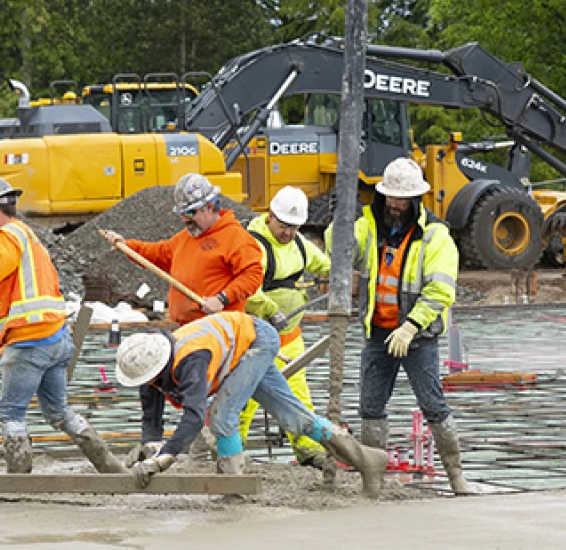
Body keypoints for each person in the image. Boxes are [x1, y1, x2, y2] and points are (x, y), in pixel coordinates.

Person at [114, 312, 388, 496]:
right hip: (238, 347)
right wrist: (150, 445)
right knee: (294, 418)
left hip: (255, 341)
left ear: (160, 366)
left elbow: (194, 417)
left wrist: (164, 458)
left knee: (221, 415)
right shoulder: (148, 370)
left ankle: (234, 489)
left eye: (151, 380)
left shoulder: (191, 361)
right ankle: (368, 460)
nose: (149, 385)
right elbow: (151, 416)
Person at [0, 176, 124, 474]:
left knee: (11, 412)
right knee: (59, 412)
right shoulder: (27, 238)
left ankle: (19, 476)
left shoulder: (8, 235)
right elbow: (23, 309)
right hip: (55, 338)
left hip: (31, 344)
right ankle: (108, 464)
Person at [335, 156, 471, 494]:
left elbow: (440, 290)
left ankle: (456, 476)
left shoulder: (435, 236)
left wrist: (411, 326)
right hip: (379, 333)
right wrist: (339, 221)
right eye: (391, 198)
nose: (395, 205)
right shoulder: (369, 227)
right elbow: (340, 251)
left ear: (415, 199)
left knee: (433, 405)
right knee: (370, 407)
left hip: (417, 336)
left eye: (402, 199)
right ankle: (373, 478)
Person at [242, 186, 331, 468]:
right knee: (243, 400)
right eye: (283, 226)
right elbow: (247, 290)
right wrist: (271, 309)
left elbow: (324, 265)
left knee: (298, 397)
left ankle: (308, 450)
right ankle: (229, 452)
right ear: (270, 216)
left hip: (290, 337)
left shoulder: (300, 245)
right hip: (255, 338)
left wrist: (338, 277)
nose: (288, 233)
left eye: (294, 228)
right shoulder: (252, 245)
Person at [100, 173, 263, 323]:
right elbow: (158, 253)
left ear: (210, 206)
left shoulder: (236, 238)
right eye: (182, 214)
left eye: (191, 213)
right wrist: (127, 246)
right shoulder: (185, 239)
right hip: (188, 327)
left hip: (219, 327)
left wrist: (222, 299)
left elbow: (252, 275)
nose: (185, 220)